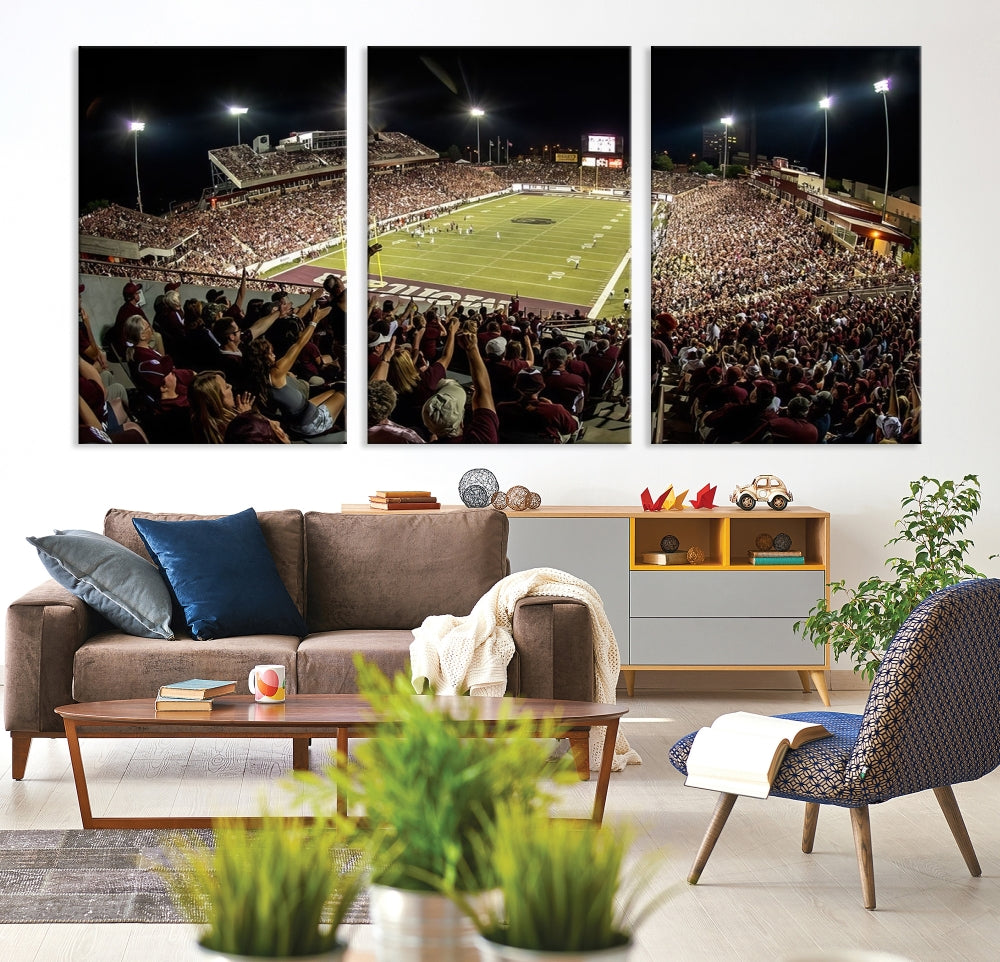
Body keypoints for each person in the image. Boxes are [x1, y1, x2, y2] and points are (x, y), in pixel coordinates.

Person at [245, 304, 345, 438]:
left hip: (299, 419)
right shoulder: (276, 372)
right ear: (263, 358)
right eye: (270, 353)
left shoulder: (257, 376)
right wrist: (314, 321)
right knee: (346, 392)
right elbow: (299, 345)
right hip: (312, 423)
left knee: (335, 390)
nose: (274, 355)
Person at [422, 331, 497, 443]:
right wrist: (472, 348)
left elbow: (483, 391)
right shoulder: (483, 437)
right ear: (462, 422)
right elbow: (483, 391)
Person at [497, 368, 581, 443]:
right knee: (575, 420)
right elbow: (571, 428)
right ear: (542, 386)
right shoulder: (555, 410)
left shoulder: (502, 408)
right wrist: (552, 407)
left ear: (516, 387)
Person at [189, 370, 252, 443]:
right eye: (226, 387)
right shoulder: (232, 431)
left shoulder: (199, 426)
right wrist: (248, 419)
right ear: (216, 399)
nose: (230, 386)